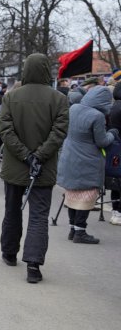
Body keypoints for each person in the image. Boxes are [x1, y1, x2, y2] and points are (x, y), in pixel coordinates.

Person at [0, 53, 68, 283]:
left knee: (12, 209)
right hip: (43, 168)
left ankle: (9, 253)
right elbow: (59, 133)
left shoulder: (11, 97)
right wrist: (39, 156)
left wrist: (26, 156)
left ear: (25, 70)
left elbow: (5, 130)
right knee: (39, 216)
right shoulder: (58, 99)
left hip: (16, 166)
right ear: (47, 70)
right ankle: (34, 266)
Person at [57, 87, 118, 243]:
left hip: (69, 156)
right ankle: (80, 232)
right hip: (87, 160)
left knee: (71, 193)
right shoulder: (97, 116)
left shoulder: (74, 108)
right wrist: (113, 134)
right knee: (87, 195)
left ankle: (72, 229)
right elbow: (102, 141)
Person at [107, 80, 121, 225]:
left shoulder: (112, 106)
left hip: (113, 146)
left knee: (116, 179)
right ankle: (119, 212)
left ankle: (115, 210)